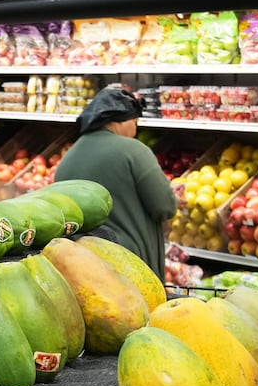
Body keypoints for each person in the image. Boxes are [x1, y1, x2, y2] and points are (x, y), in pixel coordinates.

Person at [54, 86, 177, 281]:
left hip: (83, 269)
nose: (136, 130)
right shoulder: (133, 150)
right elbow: (165, 206)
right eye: (135, 122)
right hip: (132, 267)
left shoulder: (67, 159)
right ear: (120, 120)